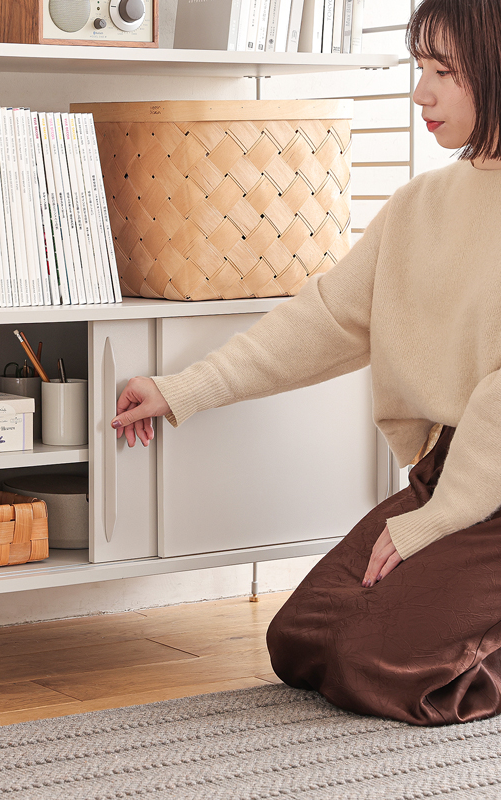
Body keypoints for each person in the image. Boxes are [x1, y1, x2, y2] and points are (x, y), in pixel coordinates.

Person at [110, 0, 501, 726]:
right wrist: (182, 389)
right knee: (301, 644)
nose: (421, 93)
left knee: (375, 668)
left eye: (445, 72)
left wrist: (438, 522)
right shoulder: (422, 204)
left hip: (488, 484)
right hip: (454, 471)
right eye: (419, 67)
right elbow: (325, 319)